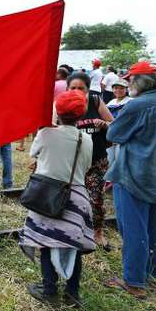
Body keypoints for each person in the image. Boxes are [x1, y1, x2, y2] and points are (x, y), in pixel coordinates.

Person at [104, 61, 156, 298]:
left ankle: (135, 282)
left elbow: (114, 134)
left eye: (130, 81)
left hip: (133, 174)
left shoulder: (138, 105)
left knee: (133, 229)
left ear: (140, 82)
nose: (127, 85)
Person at [18, 90, 95, 307]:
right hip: (77, 197)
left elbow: (34, 153)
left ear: (58, 112)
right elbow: (86, 167)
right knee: (72, 246)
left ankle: (49, 290)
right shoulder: (86, 139)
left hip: (48, 195)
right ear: (80, 115)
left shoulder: (45, 134)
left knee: (45, 241)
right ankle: (72, 294)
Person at [63, 72, 114, 249]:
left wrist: (103, 124)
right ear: (67, 89)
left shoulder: (95, 100)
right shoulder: (62, 103)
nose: (77, 91)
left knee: (95, 199)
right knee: (68, 198)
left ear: (87, 89)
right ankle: (70, 230)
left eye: (81, 88)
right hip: (71, 163)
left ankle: (97, 232)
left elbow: (113, 124)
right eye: (73, 88)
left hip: (96, 160)